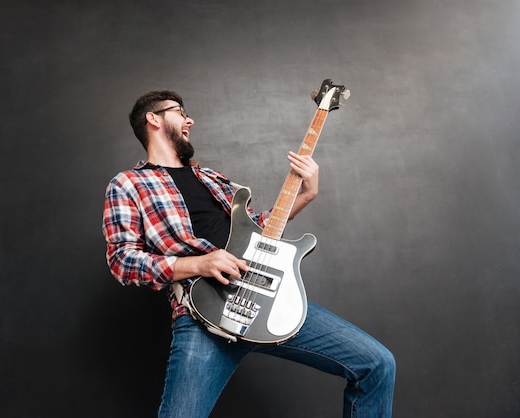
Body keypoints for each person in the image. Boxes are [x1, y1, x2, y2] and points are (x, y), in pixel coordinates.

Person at [102, 90, 396, 418]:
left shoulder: (210, 177)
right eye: (180, 112)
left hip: (267, 301)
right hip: (203, 315)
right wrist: (199, 262)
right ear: (153, 119)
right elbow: (122, 261)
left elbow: (257, 230)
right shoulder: (128, 184)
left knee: (377, 364)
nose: (190, 120)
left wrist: (305, 195)